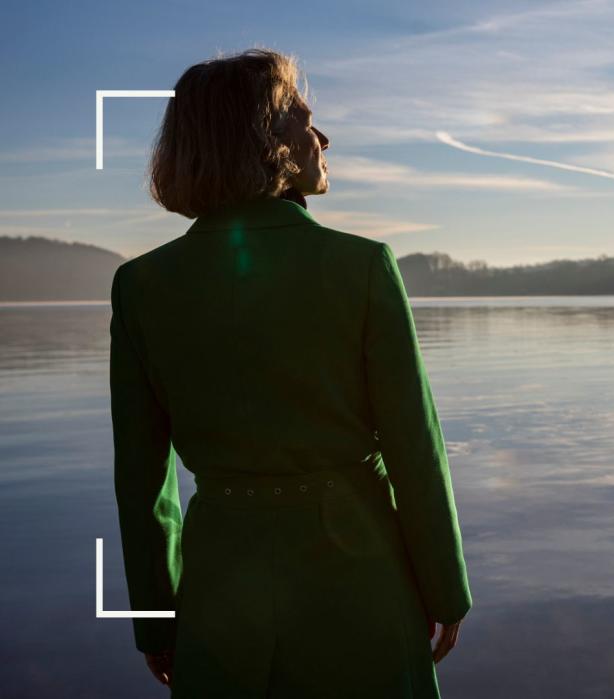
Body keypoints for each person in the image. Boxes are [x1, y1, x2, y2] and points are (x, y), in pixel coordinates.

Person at [110, 47, 472, 698]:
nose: (323, 136)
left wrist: (156, 616)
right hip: (361, 583)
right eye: (304, 118)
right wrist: (446, 586)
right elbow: (415, 449)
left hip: (221, 600)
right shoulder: (364, 267)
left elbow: (143, 481)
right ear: (267, 141)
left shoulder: (140, 287)